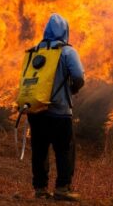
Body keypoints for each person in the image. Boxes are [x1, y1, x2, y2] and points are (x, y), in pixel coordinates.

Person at [28, 13, 85, 201]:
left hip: (36, 110)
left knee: (40, 150)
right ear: (66, 31)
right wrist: (72, 89)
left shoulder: (35, 50)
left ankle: (40, 189)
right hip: (60, 112)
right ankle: (62, 188)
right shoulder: (68, 52)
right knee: (64, 150)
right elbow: (78, 76)